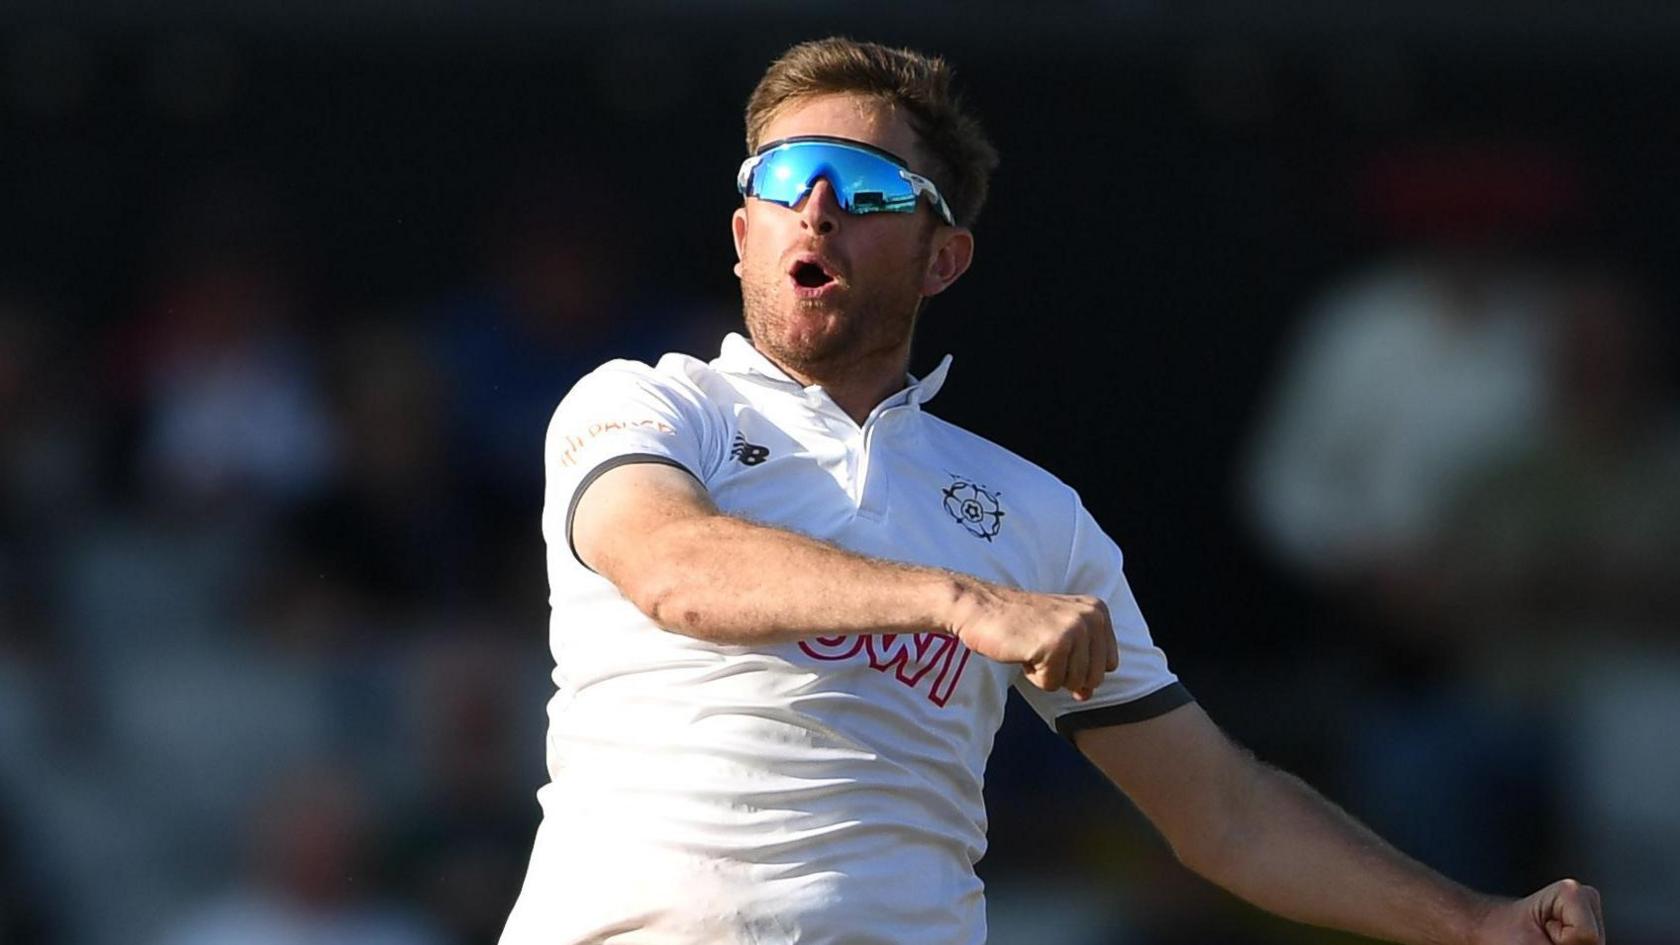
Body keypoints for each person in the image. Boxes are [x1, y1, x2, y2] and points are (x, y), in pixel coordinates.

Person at [498, 37, 1603, 945]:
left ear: (943, 260)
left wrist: (1478, 924)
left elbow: (1224, 814)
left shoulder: (1028, 513)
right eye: (783, 180)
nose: (818, 207)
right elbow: (673, 569)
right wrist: (959, 602)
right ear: (745, 234)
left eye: (872, 186)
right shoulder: (652, 405)